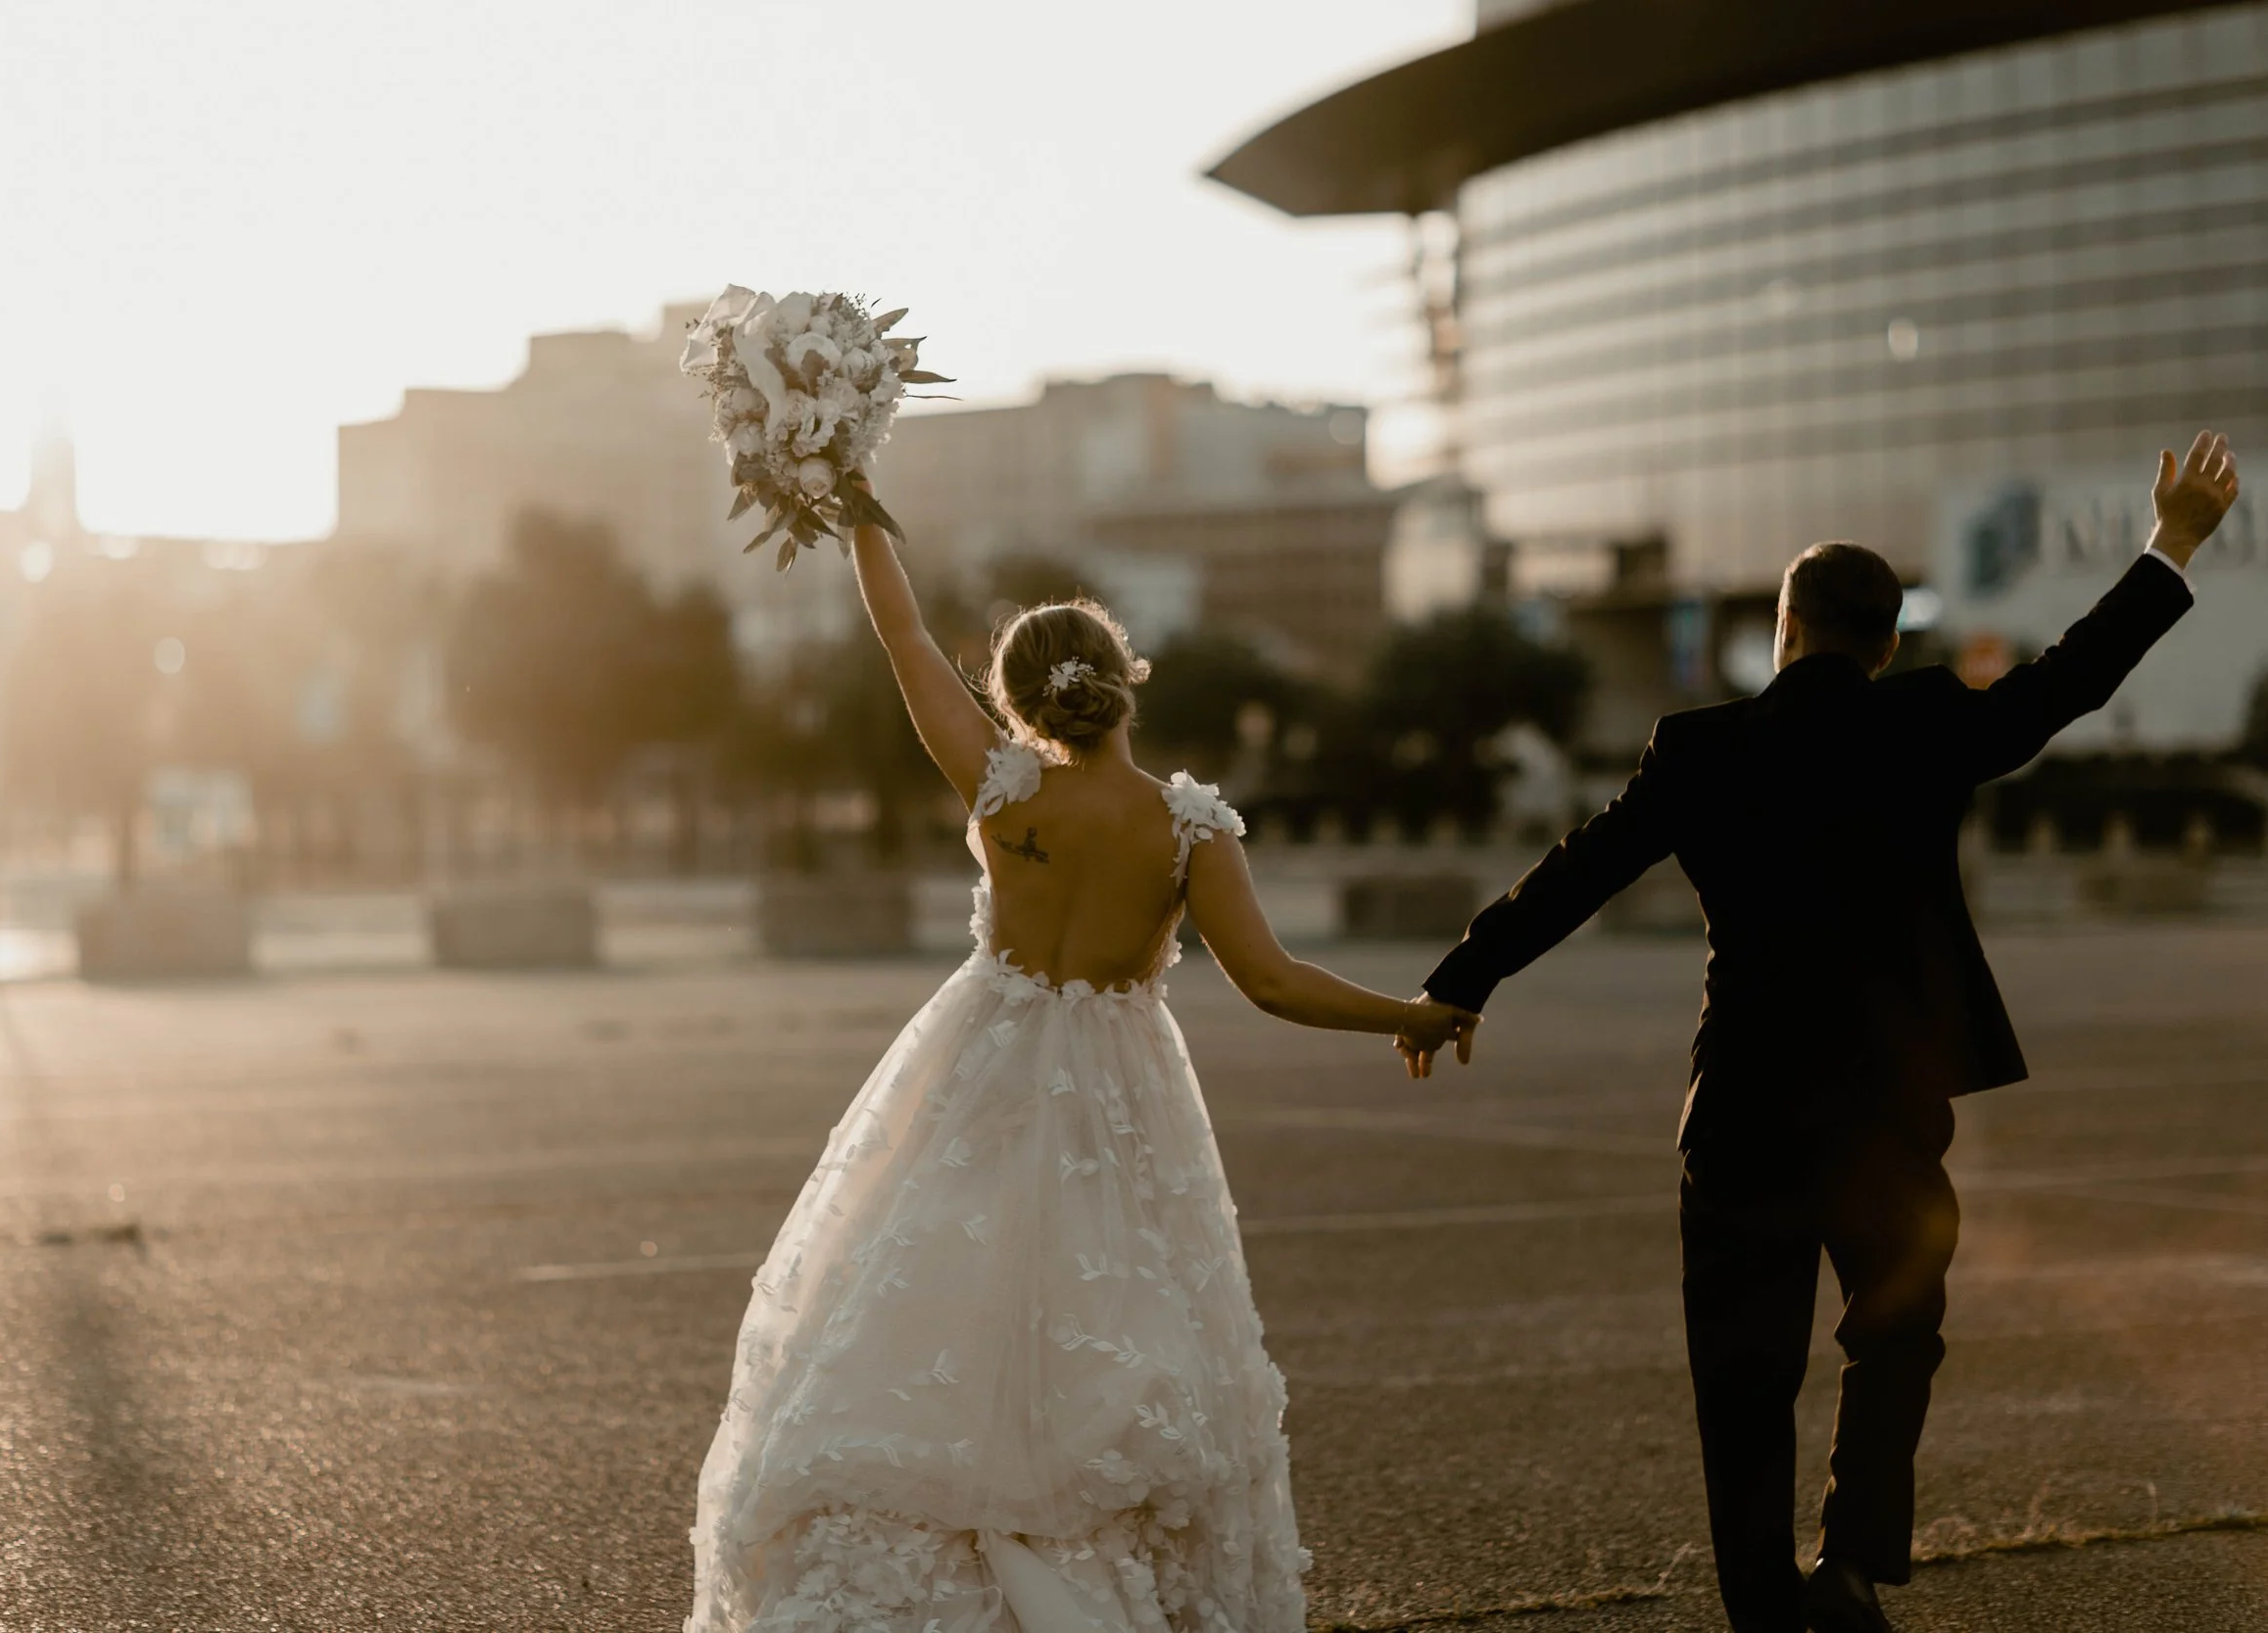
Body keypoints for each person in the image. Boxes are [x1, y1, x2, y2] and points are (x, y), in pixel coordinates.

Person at [1398, 432, 2241, 1633]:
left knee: (1742, 1373)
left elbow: (1579, 868)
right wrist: (2173, 543)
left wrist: (1460, 980)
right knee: (1894, 1333)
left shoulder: (1700, 748)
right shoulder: (1926, 721)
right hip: (1888, 1100)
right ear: (1887, 638)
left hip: (1741, 1098)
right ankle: (1850, 1567)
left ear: (1783, 630)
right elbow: (2071, 677)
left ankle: (1759, 1603)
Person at [687, 477, 1468, 1633]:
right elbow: (1269, 980)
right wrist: (1404, 1012)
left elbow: (900, 634)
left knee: (938, 1286)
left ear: (1009, 697)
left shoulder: (1002, 792)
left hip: (981, 1064)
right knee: (1116, 1313)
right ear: (1125, 682)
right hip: (1117, 1086)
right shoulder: (1186, 824)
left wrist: (859, 509)